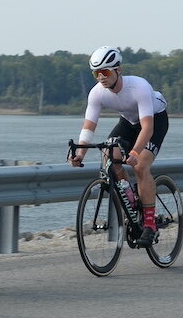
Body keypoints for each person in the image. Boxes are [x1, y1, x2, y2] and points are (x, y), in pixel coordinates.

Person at [69, 46, 170, 247]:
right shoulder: (97, 93)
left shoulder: (139, 86)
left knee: (140, 166)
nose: (101, 77)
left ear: (118, 70)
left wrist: (134, 152)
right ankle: (132, 204)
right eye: (96, 73)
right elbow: (89, 126)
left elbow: (148, 128)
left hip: (154, 121)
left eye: (105, 72)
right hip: (129, 122)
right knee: (109, 159)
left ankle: (150, 223)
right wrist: (80, 153)